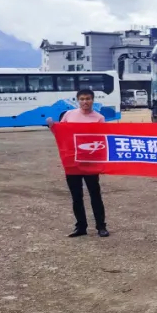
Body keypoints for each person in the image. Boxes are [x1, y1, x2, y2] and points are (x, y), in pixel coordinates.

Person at [47, 89, 110, 238]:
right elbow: (61, 135)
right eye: (81, 99)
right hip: (72, 161)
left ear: (93, 100)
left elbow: (103, 139)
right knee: (76, 196)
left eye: (88, 99)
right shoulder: (69, 115)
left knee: (95, 194)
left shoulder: (99, 118)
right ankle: (80, 226)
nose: (85, 102)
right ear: (77, 100)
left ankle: (101, 226)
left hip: (90, 162)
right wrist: (52, 127)